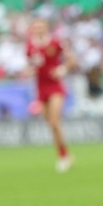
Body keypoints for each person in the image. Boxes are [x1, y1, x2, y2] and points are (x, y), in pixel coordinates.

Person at [26, 19, 74, 172]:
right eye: (36, 27)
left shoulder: (55, 43)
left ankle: (64, 156)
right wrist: (30, 70)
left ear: (46, 28)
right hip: (41, 87)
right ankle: (64, 153)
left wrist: (62, 69)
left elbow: (71, 59)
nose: (38, 30)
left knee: (54, 121)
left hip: (55, 86)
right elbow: (31, 65)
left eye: (41, 27)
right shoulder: (30, 46)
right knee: (50, 123)